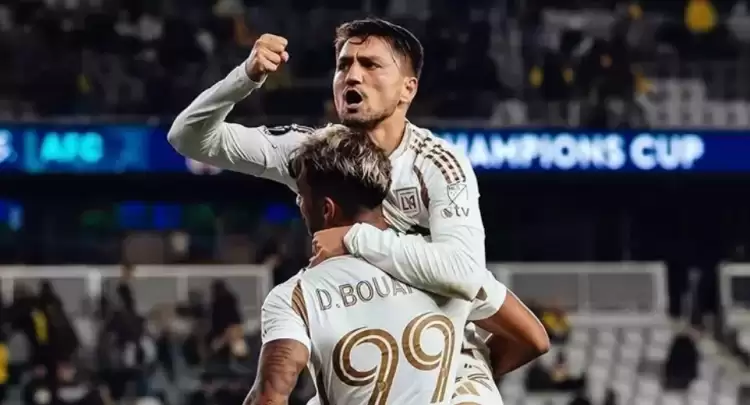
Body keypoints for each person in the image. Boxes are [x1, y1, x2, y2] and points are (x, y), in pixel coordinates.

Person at [168, 18, 501, 401]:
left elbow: (465, 276)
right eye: (344, 65)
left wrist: (355, 238)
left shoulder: (437, 164)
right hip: (358, 347)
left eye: (371, 65)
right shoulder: (315, 155)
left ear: (407, 89)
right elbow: (188, 138)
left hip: (439, 359)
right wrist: (245, 77)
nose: (352, 76)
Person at [244, 126, 549, 405]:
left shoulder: (295, 296)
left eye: (301, 196)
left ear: (327, 209)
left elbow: (270, 395)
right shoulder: (441, 268)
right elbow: (533, 339)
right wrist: (456, 378)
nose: (299, 204)